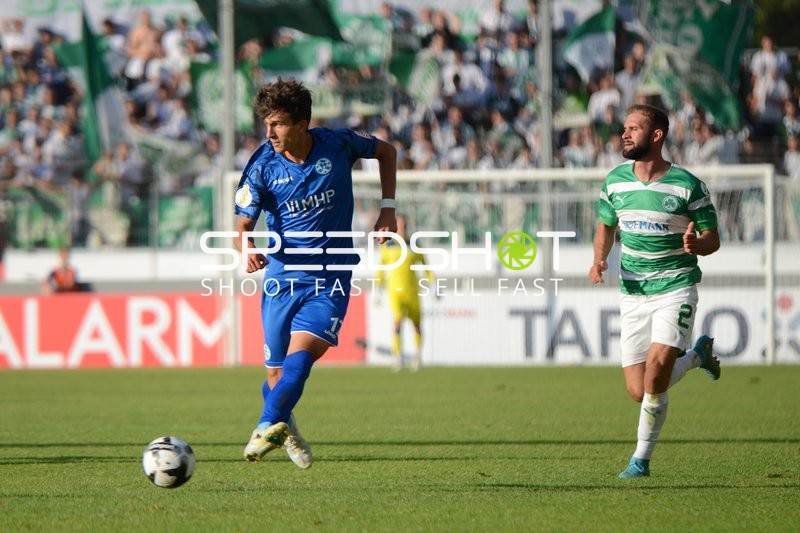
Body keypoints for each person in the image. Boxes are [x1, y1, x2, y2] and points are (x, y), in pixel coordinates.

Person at [233, 78, 397, 468]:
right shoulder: (261, 167)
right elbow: (241, 226)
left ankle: (265, 426)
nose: (269, 133)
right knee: (275, 376)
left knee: (301, 359)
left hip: (331, 277)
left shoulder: (338, 144)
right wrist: (247, 248)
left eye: (279, 124)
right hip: (282, 279)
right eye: (267, 124)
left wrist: (388, 207)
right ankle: (284, 425)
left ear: (303, 123)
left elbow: (387, 151)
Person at [588, 104, 721, 479]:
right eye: (624, 128)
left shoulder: (686, 184)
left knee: (657, 371)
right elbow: (605, 226)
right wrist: (599, 259)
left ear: (657, 135)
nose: (625, 134)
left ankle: (640, 461)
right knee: (638, 389)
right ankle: (697, 357)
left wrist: (699, 244)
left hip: (675, 287)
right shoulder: (615, 181)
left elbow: (713, 237)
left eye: (634, 128)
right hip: (632, 291)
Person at [376, 214, 434, 372]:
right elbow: (381, 268)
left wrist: (433, 284)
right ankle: (398, 358)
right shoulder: (387, 245)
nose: (401, 228)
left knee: (416, 325)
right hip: (395, 291)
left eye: (404, 225)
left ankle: (417, 356)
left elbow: (426, 267)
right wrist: (377, 288)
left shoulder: (414, 244)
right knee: (397, 322)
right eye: (398, 225)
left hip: (413, 291)